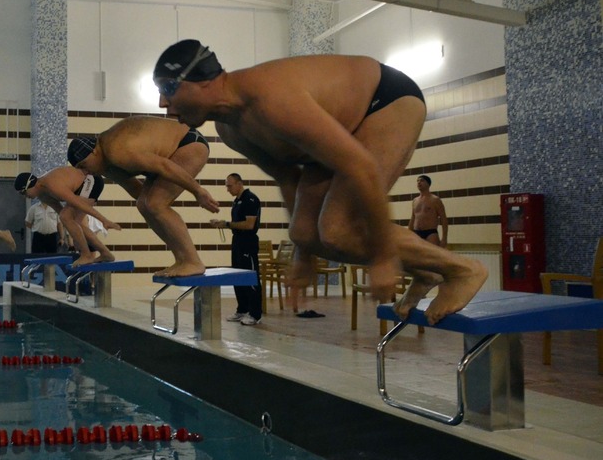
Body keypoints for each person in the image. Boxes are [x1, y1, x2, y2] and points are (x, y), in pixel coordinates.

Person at [152, 39, 487, 325]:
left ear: (204, 82)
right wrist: (303, 254)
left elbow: (362, 167)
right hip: (339, 130)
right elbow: (288, 177)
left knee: (340, 230)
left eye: (168, 89)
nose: (162, 104)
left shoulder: (271, 99)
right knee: (308, 232)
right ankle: (426, 270)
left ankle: (462, 270)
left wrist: (384, 257)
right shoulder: (230, 129)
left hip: (385, 101)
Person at [67, 116, 219, 277]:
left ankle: (193, 261)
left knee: (156, 204)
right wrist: (151, 209)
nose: (85, 172)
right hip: (165, 158)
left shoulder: (117, 150)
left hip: (187, 143)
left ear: (94, 151)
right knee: (145, 205)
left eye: (83, 165)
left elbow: (164, 166)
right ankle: (182, 260)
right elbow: (135, 189)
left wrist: (197, 191)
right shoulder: (106, 167)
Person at [14, 167, 121, 267]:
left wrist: (103, 220)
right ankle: (106, 253)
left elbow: (80, 204)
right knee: (70, 219)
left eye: (23, 192)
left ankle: (86, 255)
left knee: (66, 216)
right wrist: (75, 234)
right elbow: (64, 216)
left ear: (30, 185)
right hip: (82, 187)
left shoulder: (52, 185)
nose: (24, 196)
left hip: (91, 181)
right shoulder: (42, 195)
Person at [210, 172, 262, 325]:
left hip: (248, 242)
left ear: (239, 184)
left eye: (229, 186)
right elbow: (236, 224)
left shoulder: (250, 199)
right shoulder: (236, 201)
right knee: (237, 275)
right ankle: (242, 309)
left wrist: (226, 224)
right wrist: (223, 224)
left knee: (250, 276)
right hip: (237, 241)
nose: (227, 189)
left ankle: (255, 313)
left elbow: (249, 224)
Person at [408, 174, 448, 247]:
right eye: (418, 181)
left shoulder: (435, 200)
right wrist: (408, 235)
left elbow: (443, 219)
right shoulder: (415, 200)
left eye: (422, 180)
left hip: (430, 233)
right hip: (417, 232)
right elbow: (413, 218)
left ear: (428, 184)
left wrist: (444, 238)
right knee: (417, 257)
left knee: (432, 256)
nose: (419, 182)